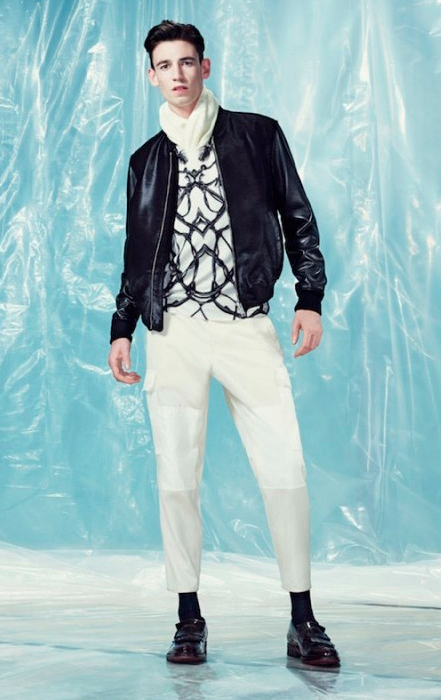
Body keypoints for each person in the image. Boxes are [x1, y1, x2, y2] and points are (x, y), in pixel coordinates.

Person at [108, 20, 339, 669]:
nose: (177, 74)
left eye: (187, 62)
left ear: (205, 67)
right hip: (173, 331)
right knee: (176, 477)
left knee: (285, 471)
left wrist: (311, 297)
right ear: (151, 76)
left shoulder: (257, 136)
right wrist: (122, 327)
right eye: (165, 65)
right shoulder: (145, 162)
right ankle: (188, 618)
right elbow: (136, 255)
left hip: (245, 323)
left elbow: (298, 218)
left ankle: (303, 619)